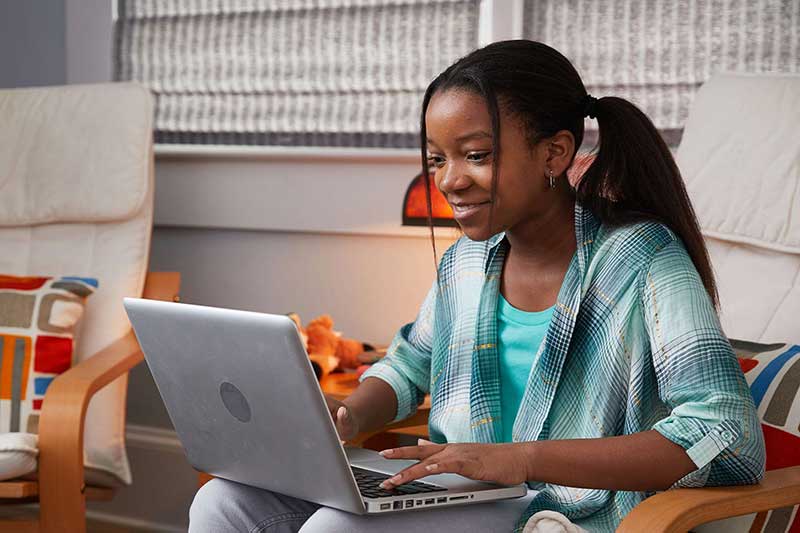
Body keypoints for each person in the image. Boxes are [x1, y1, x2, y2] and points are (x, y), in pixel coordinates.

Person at [189, 40, 765, 532]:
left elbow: (724, 432)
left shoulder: (644, 260)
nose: (449, 181)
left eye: (477, 156)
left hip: (563, 511)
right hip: (454, 491)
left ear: (554, 153)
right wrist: (348, 416)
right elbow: (410, 363)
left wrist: (516, 460)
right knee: (223, 501)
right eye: (438, 159)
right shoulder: (466, 263)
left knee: (339, 527)